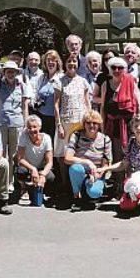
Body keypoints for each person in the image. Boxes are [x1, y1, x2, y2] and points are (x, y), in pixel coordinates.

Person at [0, 60, 31, 189]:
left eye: (12, 72)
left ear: (16, 73)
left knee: (14, 155)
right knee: (0, 153)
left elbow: (25, 107)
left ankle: (10, 181)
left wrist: (26, 123)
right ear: (4, 73)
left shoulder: (22, 86)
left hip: (16, 123)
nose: (10, 74)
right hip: (1, 122)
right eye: (8, 71)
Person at [100, 56, 140, 181]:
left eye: (120, 68)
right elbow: (102, 108)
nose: (117, 70)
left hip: (128, 125)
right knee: (115, 155)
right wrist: (102, 128)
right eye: (114, 67)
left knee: (128, 155)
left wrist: (139, 126)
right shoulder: (105, 84)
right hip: (111, 125)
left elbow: (139, 105)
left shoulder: (131, 82)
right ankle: (117, 185)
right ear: (109, 68)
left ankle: (129, 185)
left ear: (125, 69)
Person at [54, 54, 91, 190]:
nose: (72, 64)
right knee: (63, 155)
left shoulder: (83, 81)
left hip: (80, 123)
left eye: (74, 61)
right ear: (65, 64)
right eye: (69, 61)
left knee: (79, 153)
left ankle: (80, 185)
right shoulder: (59, 81)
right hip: (65, 122)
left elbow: (87, 104)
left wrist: (90, 121)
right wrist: (59, 125)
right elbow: (56, 104)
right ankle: (65, 184)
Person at [64, 110, 112, 209]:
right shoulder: (76, 136)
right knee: (76, 169)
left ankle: (88, 189)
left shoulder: (105, 139)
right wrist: (87, 162)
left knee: (95, 193)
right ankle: (76, 193)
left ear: (99, 125)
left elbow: (106, 164)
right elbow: (67, 159)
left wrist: (98, 174)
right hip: (80, 171)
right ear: (84, 124)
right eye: (88, 123)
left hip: (96, 173)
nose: (91, 125)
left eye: (95, 123)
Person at [15, 115, 55, 203]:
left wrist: (43, 174)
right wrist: (32, 169)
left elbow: (50, 162)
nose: (32, 130)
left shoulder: (47, 138)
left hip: (41, 167)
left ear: (40, 127)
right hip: (27, 166)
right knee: (20, 171)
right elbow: (20, 159)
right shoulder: (23, 136)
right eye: (29, 127)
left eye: (34, 127)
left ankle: (41, 190)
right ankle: (24, 189)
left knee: (51, 177)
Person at [33, 50, 63, 140]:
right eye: (48, 60)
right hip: (41, 117)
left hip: (55, 119)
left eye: (53, 60)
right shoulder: (42, 78)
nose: (50, 62)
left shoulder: (62, 78)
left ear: (58, 62)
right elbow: (36, 94)